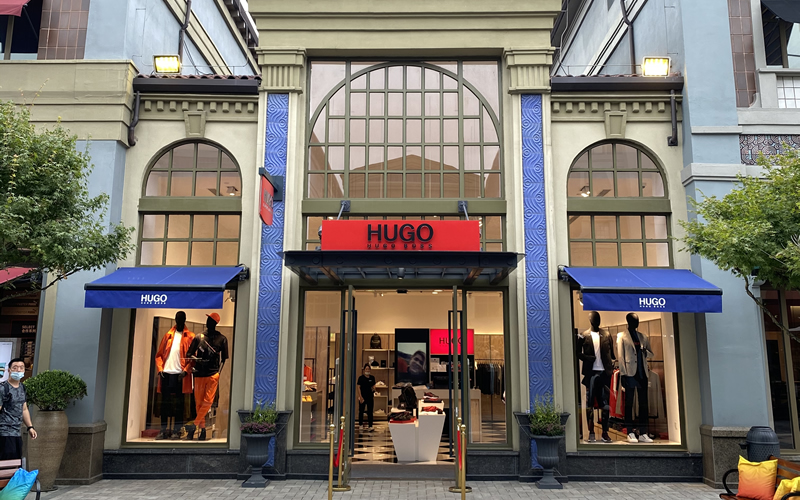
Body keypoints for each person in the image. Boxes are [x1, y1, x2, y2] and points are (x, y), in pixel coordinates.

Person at [186, 312, 229, 441]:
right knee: (199, 404)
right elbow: (189, 354)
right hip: (199, 374)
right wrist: (198, 360)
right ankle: (203, 430)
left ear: (215, 323)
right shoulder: (199, 337)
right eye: (208, 319)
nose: (207, 322)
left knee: (208, 401)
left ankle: (193, 426)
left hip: (212, 374)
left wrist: (218, 373)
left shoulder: (222, 339)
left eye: (210, 320)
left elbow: (224, 359)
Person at [155, 311, 195, 440]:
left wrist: (186, 371)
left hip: (180, 375)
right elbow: (159, 355)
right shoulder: (168, 335)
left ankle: (177, 431)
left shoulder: (190, 336)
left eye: (181, 319)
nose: (179, 321)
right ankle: (163, 430)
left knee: (179, 405)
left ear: (185, 320)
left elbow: (193, 358)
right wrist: (160, 369)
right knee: (165, 404)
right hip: (166, 373)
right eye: (177, 319)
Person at [576, 311, 614, 443]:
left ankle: (605, 432)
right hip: (590, 373)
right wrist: (587, 358)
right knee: (590, 403)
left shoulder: (607, 334)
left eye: (598, 319)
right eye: (594, 319)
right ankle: (591, 432)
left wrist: (611, 365)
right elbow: (577, 352)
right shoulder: (583, 335)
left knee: (605, 404)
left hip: (604, 372)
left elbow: (611, 353)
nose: (597, 321)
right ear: (590, 320)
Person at [616, 312, 654, 443]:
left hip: (642, 373)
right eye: (634, 321)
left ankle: (643, 432)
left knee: (643, 404)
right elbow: (620, 356)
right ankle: (630, 432)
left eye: (637, 321)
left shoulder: (643, 336)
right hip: (630, 373)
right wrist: (623, 374)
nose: (636, 323)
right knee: (629, 403)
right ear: (628, 321)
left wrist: (644, 351)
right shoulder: (622, 336)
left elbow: (651, 354)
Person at [0, 358, 37, 460]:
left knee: (15, 462)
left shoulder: (22, 387)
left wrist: (30, 427)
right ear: (9, 370)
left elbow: (24, 408)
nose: (18, 370)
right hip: (4, 432)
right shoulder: (3, 388)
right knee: (6, 463)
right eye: (15, 368)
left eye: (21, 368)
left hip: (17, 432)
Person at [356, 363, 376, 432]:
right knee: (361, 411)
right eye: (366, 369)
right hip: (363, 397)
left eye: (368, 369)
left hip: (370, 397)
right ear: (364, 370)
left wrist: (374, 389)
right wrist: (360, 396)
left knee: (370, 411)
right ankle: (360, 424)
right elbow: (358, 387)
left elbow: (374, 386)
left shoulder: (372, 378)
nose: (367, 370)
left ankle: (370, 425)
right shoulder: (361, 378)